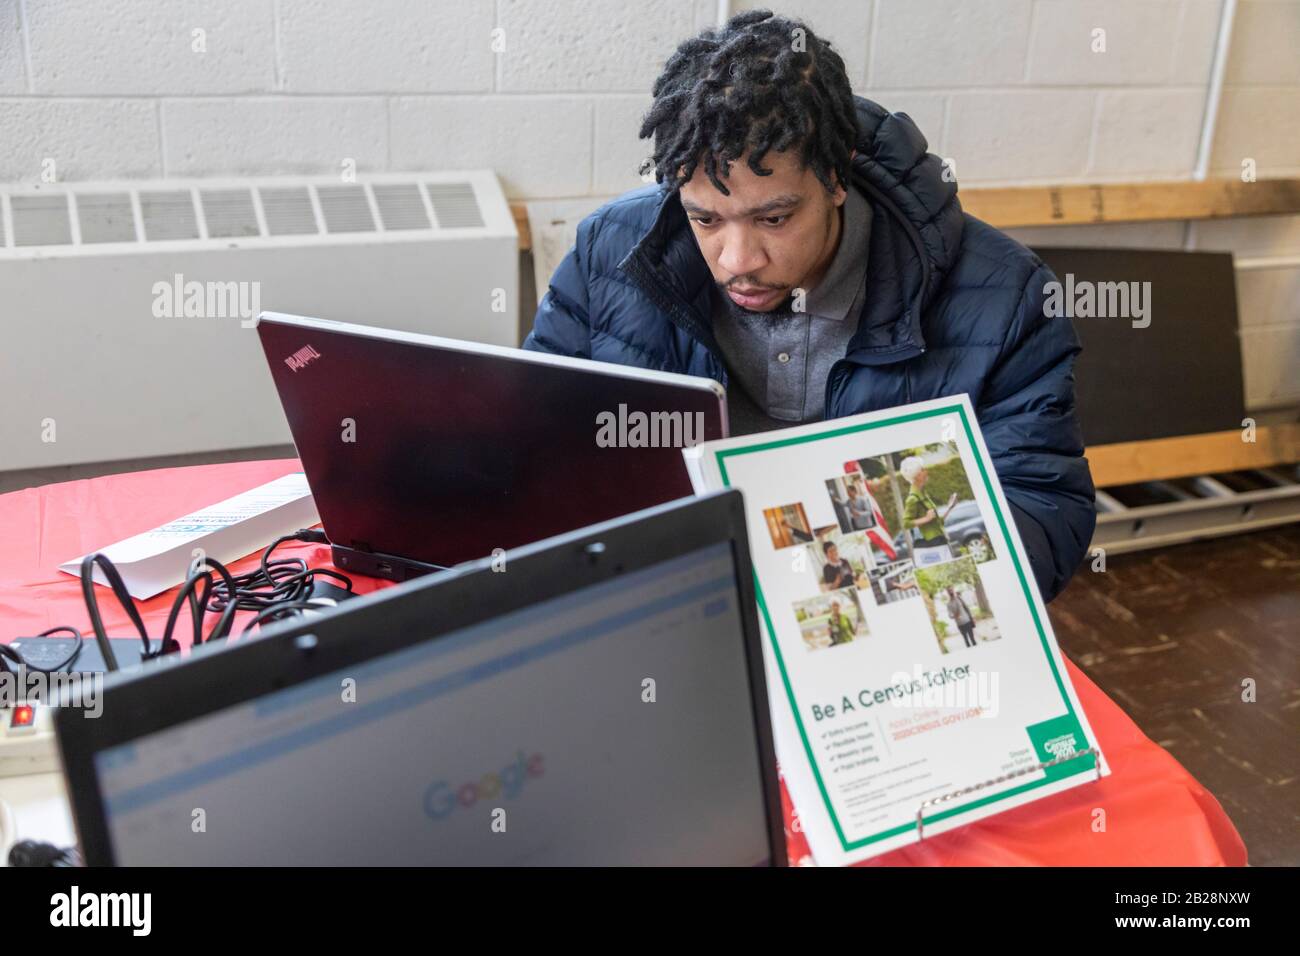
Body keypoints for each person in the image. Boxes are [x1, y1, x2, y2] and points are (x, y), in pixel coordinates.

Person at [524, 9, 1096, 604]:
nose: (737, 260)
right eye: (705, 219)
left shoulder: (1004, 296)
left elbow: (1038, 499)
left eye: (774, 219)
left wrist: (887, 591)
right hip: (671, 602)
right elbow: (541, 437)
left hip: (890, 616)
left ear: (835, 178)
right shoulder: (608, 252)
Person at [900, 456, 958, 565]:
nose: (926, 471)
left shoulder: (924, 494)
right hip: (934, 546)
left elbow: (937, 521)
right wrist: (926, 518)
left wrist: (949, 508)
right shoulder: (913, 499)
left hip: (941, 540)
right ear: (916, 475)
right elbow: (906, 523)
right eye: (922, 469)